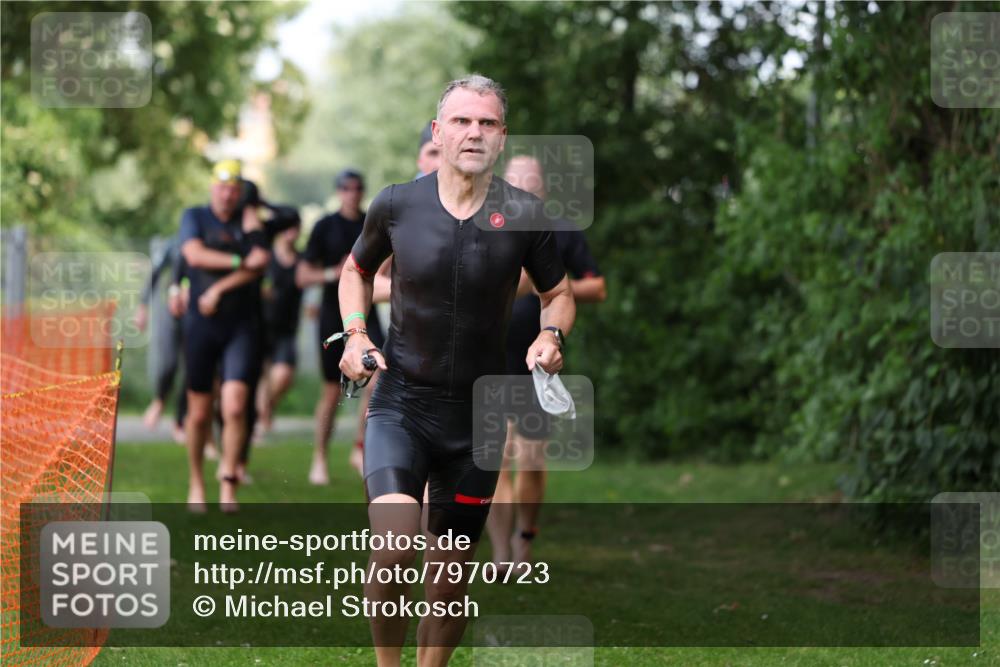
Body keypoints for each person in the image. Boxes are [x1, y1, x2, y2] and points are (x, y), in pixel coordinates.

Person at [339, 74, 576, 667]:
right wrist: (357, 334)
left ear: (502, 138)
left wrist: (552, 334)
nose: (475, 132)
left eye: (488, 123)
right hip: (400, 404)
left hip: (478, 420)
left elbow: (560, 294)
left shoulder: (526, 215)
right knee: (393, 545)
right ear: (439, 132)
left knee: (449, 577)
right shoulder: (396, 203)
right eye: (463, 121)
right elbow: (354, 271)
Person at [486, 155, 607, 570]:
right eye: (515, 181)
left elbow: (596, 286)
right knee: (496, 457)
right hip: (489, 358)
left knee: (532, 459)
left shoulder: (561, 230)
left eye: (530, 181)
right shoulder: (486, 228)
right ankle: (501, 550)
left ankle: (525, 536)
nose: (522, 187)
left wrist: (541, 284)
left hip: (538, 363)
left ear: (544, 188)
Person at [179, 160, 269, 512]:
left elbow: (260, 260)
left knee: (234, 405)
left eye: (234, 189)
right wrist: (237, 262)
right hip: (201, 325)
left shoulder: (249, 222)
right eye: (222, 187)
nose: (227, 194)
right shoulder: (195, 217)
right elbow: (194, 255)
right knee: (199, 413)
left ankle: (228, 482)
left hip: (241, 325)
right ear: (212, 188)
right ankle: (197, 482)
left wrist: (220, 288)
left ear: (240, 193)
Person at [297, 170, 386, 485]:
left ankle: (359, 446)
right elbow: (303, 276)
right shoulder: (325, 226)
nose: (352, 193)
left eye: (358, 188)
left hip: (368, 311)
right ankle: (319, 456)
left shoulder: (371, 223)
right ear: (338, 191)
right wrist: (334, 275)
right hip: (332, 316)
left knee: (377, 380)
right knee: (331, 390)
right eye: (346, 188)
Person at [255, 208, 304, 436]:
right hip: (261, 325)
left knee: (283, 376)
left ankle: (264, 409)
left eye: (295, 227)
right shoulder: (265, 257)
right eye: (287, 227)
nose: (291, 232)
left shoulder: (301, 261)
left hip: (287, 328)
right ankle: (258, 417)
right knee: (260, 378)